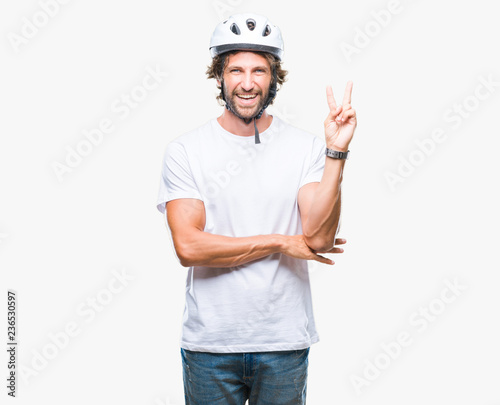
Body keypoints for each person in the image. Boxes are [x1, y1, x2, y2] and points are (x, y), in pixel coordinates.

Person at [156, 12, 357, 405]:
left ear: (274, 78)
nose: (247, 83)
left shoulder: (306, 148)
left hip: (282, 340)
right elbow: (189, 248)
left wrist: (337, 150)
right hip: (210, 345)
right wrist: (281, 242)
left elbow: (317, 237)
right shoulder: (185, 151)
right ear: (219, 77)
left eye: (259, 71)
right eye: (236, 70)